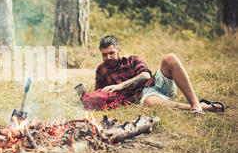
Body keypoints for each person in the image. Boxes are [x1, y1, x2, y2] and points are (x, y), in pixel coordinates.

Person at [94, 35, 225, 114]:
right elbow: (99, 93)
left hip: (155, 85)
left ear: (119, 50)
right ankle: (202, 107)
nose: (108, 57)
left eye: (111, 53)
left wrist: (120, 86)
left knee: (169, 58)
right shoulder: (102, 70)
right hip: (145, 97)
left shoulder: (132, 60)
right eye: (104, 54)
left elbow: (145, 76)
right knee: (148, 101)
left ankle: (196, 104)